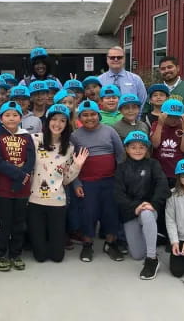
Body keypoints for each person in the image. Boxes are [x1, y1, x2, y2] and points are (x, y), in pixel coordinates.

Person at [29, 104, 88, 263]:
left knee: (57, 256)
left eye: (62, 120)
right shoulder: (34, 140)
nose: (58, 124)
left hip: (57, 201)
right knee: (40, 256)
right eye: (54, 119)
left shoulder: (69, 147)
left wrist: (77, 165)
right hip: (34, 200)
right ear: (47, 121)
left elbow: (67, 179)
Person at [71, 100, 125, 262]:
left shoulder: (110, 131)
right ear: (80, 117)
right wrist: (76, 183)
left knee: (110, 213)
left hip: (110, 181)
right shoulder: (75, 136)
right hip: (87, 182)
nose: (89, 118)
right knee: (88, 214)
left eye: (93, 114)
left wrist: (120, 180)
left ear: (99, 115)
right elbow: (71, 162)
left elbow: (120, 156)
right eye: (85, 115)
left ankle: (111, 244)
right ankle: (87, 245)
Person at [114, 131, 170, 280]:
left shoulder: (153, 164)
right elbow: (118, 194)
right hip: (131, 211)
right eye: (133, 147)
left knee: (146, 214)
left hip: (149, 209)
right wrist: (134, 207)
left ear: (147, 149)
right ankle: (152, 234)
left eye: (141, 147)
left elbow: (162, 185)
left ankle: (152, 259)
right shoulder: (121, 167)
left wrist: (153, 204)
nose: (137, 150)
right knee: (137, 255)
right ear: (126, 149)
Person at [0, 101, 35, 271]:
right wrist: (19, 175)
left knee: (19, 222)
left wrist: (23, 174)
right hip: (3, 188)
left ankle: (15, 253)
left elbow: (31, 160)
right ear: (1, 119)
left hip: (22, 189)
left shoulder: (26, 136)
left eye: (15, 115)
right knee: (4, 222)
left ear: (20, 117)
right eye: (7, 115)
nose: (11, 118)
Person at [151, 99, 184, 187]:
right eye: (170, 116)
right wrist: (160, 125)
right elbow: (155, 144)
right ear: (163, 115)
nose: (174, 120)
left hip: (176, 172)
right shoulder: (156, 124)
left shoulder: (183, 127)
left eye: (177, 117)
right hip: (159, 172)